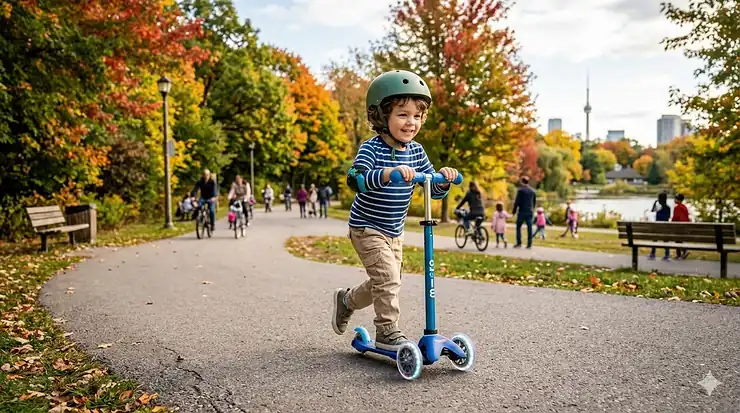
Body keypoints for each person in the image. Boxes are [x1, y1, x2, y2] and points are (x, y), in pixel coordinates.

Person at [331, 70, 459, 351]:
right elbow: (356, 178)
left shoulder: (416, 151)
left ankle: (346, 300)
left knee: (387, 280)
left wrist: (444, 179)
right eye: (403, 114)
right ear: (381, 116)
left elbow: (431, 187)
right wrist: (388, 174)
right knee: (388, 279)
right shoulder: (372, 149)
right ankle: (387, 331)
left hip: (394, 231)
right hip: (366, 227)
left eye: (417, 116)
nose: (411, 122)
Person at [512, 175, 537, 248]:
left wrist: (513, 211)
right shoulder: (533, 191)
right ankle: (529, 244)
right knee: (529, 228)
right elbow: (534, 202)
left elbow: (517, 202)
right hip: (530, 211)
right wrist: (533, 209)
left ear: (522, 181)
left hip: (522, 211)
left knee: (518, 227)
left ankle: (519, 243)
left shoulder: (520, 191)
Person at [648, 192, 671, 261]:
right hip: (665, 228)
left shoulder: (659, 208)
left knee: (654, 239)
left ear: (659, 199)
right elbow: (668, 217)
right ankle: (667, 255)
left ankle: (653, 254)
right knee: (666, 240)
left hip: (658, 227)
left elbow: (652, 211)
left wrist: (655, 203)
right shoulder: (668, 208)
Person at [672, 193, 691, 259]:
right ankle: (679, 254)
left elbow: (675, 218)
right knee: (679, 240)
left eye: (675, 198)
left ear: (678, 200)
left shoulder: (677, 207)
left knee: (677, 239)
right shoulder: (684, 207)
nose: (674, 200)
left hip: (679, 226)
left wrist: (671, 223)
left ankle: (684, 251)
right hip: (685, 226)